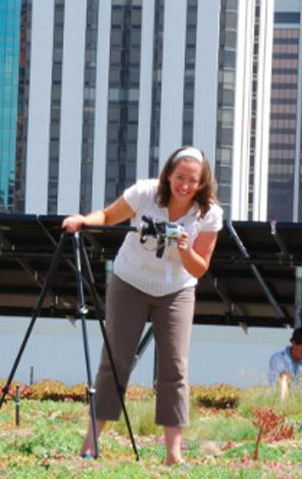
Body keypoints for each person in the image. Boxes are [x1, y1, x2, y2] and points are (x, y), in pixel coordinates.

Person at [62, 146, 223, 466]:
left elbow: (199, 267)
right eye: (180, 178)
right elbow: (108, 216)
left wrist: (185, 247)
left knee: (175, 368)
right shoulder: (145, 193)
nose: (185, 186)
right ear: (168, 175)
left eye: (193, 180)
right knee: (115, 360)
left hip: (176, 289)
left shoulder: (209, 214)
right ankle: (90, 444)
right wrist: (83, 220)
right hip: (130, 281)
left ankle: (174, 454)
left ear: (203, 182)